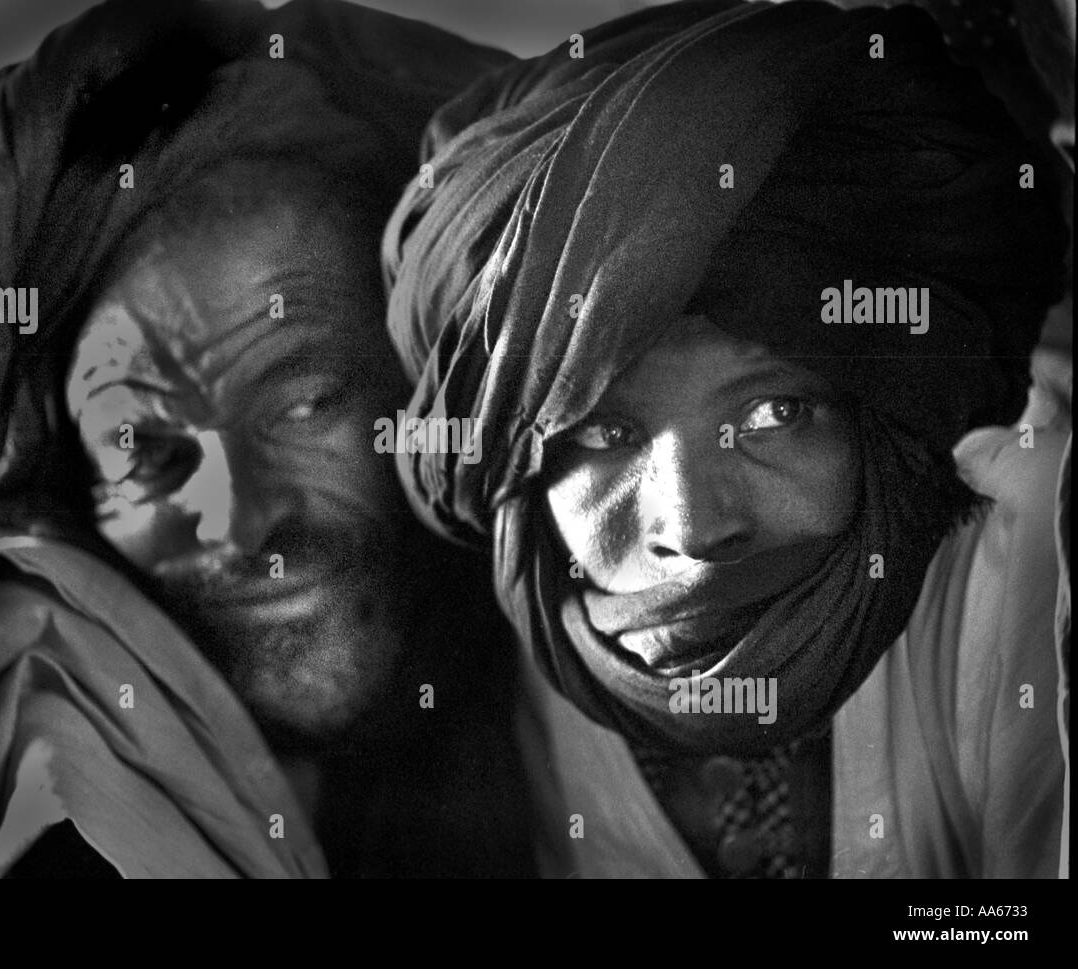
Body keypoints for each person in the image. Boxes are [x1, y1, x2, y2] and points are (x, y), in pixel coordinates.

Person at [0, 0, 539, 878]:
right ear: (63, 488)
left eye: (305, 403)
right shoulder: (44, 776)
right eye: (141, 447)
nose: (236, 521)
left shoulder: (651, 677)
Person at [383, 0, 1071, 877]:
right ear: (514, 460)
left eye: (773, 414)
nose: (694, 528)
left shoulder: (1031, 551)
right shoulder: (477, 676)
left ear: (886, 406)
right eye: (604, 431)